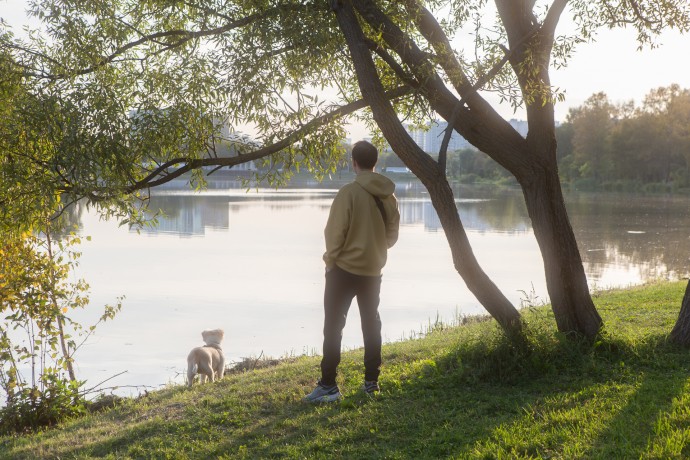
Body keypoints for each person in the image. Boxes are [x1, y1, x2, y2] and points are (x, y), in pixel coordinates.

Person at [305, 140, 400, 403]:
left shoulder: (348, 192)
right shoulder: (389, 196)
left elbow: (334, 234)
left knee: (333, 327)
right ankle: (371, 383)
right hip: (373, 271)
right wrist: (375, 249)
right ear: (375, 163)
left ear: (354, 162)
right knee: (372, 324)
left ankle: (328, 386)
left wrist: (329, 261)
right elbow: (392, 235)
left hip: (343, 270)